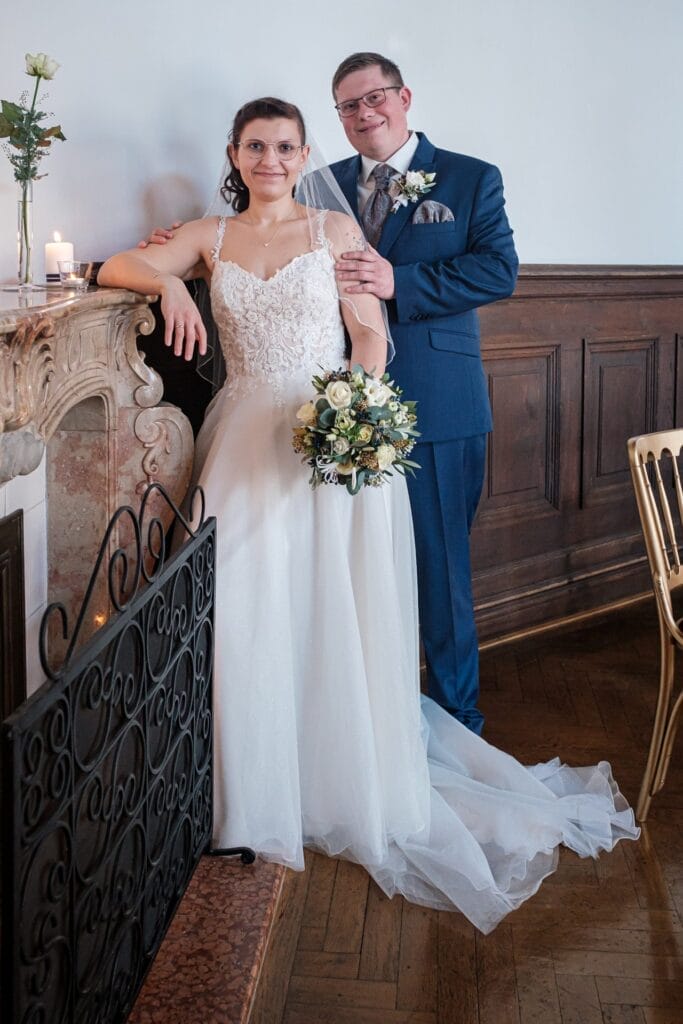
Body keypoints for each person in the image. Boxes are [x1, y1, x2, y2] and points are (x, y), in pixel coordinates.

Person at [101, 96, 638, 935]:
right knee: (235, 601)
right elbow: (109, 269)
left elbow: (369, 336)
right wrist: (169, 278)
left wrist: (355, 414)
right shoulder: (209, 236)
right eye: (255, 146)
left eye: (284, 145)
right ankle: (248, 784)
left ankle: (335, 773)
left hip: (324, 435)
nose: (270, 158)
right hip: (240, 438)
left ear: (303, 151)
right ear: (235, 154)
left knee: (329, 605)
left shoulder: (334, 233)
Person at [142, 53, 518, 736]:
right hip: (301, 405)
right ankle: (334, 722)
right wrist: (166, 268)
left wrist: (396, 282)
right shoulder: (316, 184)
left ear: (403, 97)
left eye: (374, 98)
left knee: (437, 573)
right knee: (330, 582)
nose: (363, 113)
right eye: (347, 105)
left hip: (430, 401)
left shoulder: (467, 178)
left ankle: (455, 722)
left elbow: (498, 271)